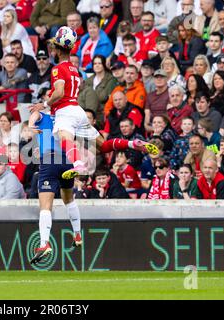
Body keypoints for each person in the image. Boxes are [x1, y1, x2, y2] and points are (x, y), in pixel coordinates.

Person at [30, 26, 158, 178]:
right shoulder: (74, 69)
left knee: (65, 139)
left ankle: (78, 165)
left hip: (65, 112)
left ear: (57, 50)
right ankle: (132, 143)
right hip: (78, 110)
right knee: (103, 146)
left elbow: (59, 92)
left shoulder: (57, 69)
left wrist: (44, 104)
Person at [27, 110, 86, 264]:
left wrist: (31, 124)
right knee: (68, 199)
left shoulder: (43, 115)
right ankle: (78, 234)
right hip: (67, 160)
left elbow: (35, 114)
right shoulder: (66, 118)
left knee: (45, 206)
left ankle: (44, 243)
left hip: (50, 160)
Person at [78, 54, 117, 126]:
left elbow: (107, 98)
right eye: (95, 63)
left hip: (101, 114)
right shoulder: (89, 80)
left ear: (104, 64)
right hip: (86, 111)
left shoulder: (111, 80)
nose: (97, 65)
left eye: (99, 63)